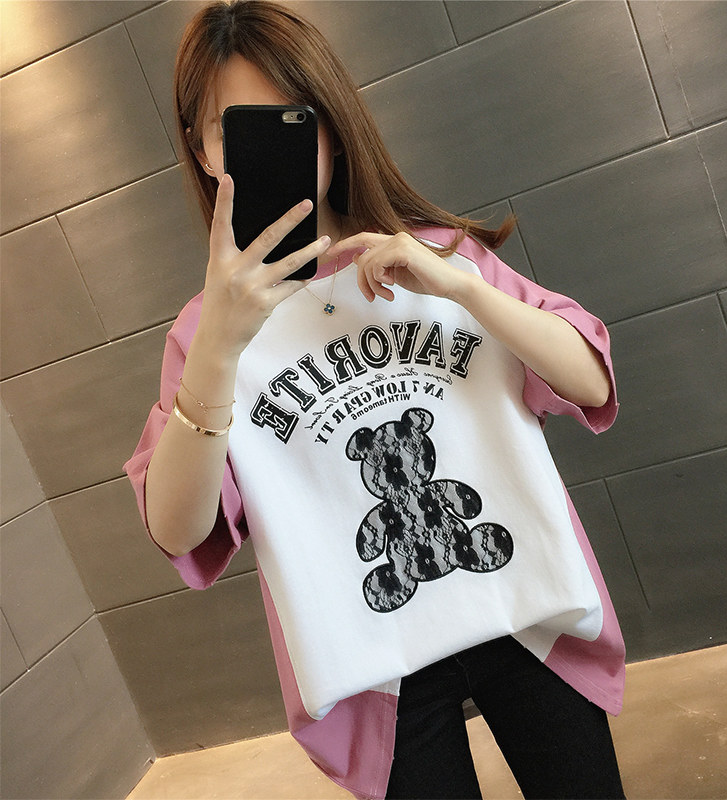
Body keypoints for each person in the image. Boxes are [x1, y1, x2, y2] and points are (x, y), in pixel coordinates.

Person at [124, 2, 627, 798]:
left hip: (523, 605)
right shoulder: (204, 335)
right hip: (373, 665)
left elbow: (590, 381)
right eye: (238, 128)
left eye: (295, 118)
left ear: (332, 120)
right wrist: (217, 350)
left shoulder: (432, 258)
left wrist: (463, 288)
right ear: (201, 148)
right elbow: (179, 530)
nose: (278, 147)